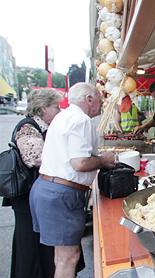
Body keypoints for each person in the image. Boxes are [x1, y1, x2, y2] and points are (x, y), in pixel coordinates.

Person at [29, 83, 116, 277]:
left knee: (62, 256)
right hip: (61, 194)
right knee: (68, 258)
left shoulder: (63, 116)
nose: (101, 105)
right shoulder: (81, 120)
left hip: (47, 188)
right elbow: (80, 163)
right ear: (89, 99)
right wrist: (105, 160)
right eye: (100, 101)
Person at [1, 89, 61, 278]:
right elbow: (36, 158)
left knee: (38, 240)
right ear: (43, 108)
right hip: (26, 194)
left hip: (33, 193)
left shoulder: (40, 126)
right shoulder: (28, 127)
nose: (59, 110)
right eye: (56, 106)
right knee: (30, 241)